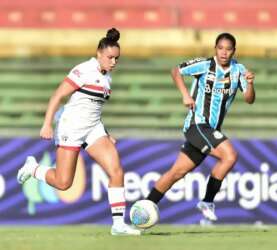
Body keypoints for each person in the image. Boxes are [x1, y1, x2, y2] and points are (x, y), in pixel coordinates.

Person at [17, 28, 140, 236]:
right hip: (71, 128)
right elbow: (57, 96)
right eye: (110, 57)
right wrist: (47, 124)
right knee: (63, 183)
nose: (113, 62)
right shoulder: (83, 70)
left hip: (93, 129)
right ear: (99, 53)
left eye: (117, 59)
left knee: (116, 171)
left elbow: (93, 109)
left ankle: (118, 224)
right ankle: (34, 169)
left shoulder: (107, 77)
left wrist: (106, 133)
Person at [146, 33, 255, 223]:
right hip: (197, 125)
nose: (224, 52)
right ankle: (207, 202)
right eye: (220, 48)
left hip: (209, 130)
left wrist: (251, 84)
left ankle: (144, 209)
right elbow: (176, 71)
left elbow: (249, 99)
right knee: (230, 156)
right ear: (215, 48)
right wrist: (185, 95)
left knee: (176, 173)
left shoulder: (239, 70)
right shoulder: (204, 65)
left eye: (228, 49)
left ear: (233, 51)